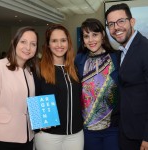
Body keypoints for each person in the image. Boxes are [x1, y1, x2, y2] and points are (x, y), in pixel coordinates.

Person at [33, 24, 84, 150]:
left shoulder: (75, 68)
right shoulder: (39, 69)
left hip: (75, 135)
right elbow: (33, 96)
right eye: (54, 41)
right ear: (48, 45)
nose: (59, 45)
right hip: (48, 136)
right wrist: (39, 122)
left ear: (68, 43)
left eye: (63, 40)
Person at [105, 3, 148, 150]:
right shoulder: (121, 52)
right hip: (125, 129)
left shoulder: (145, 48)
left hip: (141, 135)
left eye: (121, 21)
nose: (116, 27)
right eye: (111, 24)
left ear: (132, 21)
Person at [75, 18, 120, 150]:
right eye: (86, 36)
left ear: (103, 35)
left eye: (95, 34)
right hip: (88, 129)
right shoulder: (79, 60)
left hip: (113, 128)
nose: (91, 40)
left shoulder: (116, 57)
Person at [0, 26, 39, 150]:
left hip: (28, 137)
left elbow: (30, 103)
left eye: (33, 44)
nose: (28, 48)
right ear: (14, 42)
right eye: (23, 42)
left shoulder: (30, 71)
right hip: (4, 137)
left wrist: (41, 121)